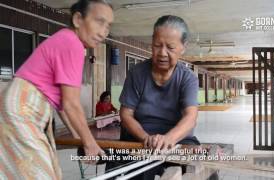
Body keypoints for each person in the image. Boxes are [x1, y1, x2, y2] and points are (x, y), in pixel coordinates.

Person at [0, 0, 113, 179]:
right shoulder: (72, 43)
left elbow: (62, 104)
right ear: (77, 19)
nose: (104, 32)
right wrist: (90, 142)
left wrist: (79, 138)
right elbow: (71, 104)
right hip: (22, 110)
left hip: (18, 106)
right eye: (99, 22)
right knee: (40, 174)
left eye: (108, 26)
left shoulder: (65, 38)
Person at [118, 15, 199, 179]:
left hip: (176, 141)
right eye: (157, 45)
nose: (162, 53)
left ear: (183, 47)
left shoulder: (187, 78)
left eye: (170, 47)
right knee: (126, 172)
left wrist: (168, 138)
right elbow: (126, 115)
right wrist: (146, 138)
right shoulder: (137, 73)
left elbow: (191, 117)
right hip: (138, 140)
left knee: (191, 169)